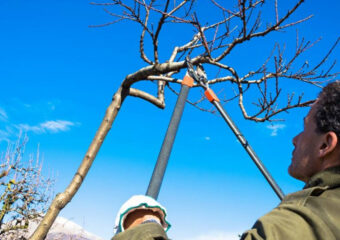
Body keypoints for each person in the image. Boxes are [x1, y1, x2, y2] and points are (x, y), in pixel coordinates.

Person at [112, 80, 340, 240]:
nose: (294, 139)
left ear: (325, 145)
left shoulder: (289, 228)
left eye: (304, 128)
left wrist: (144, 226)